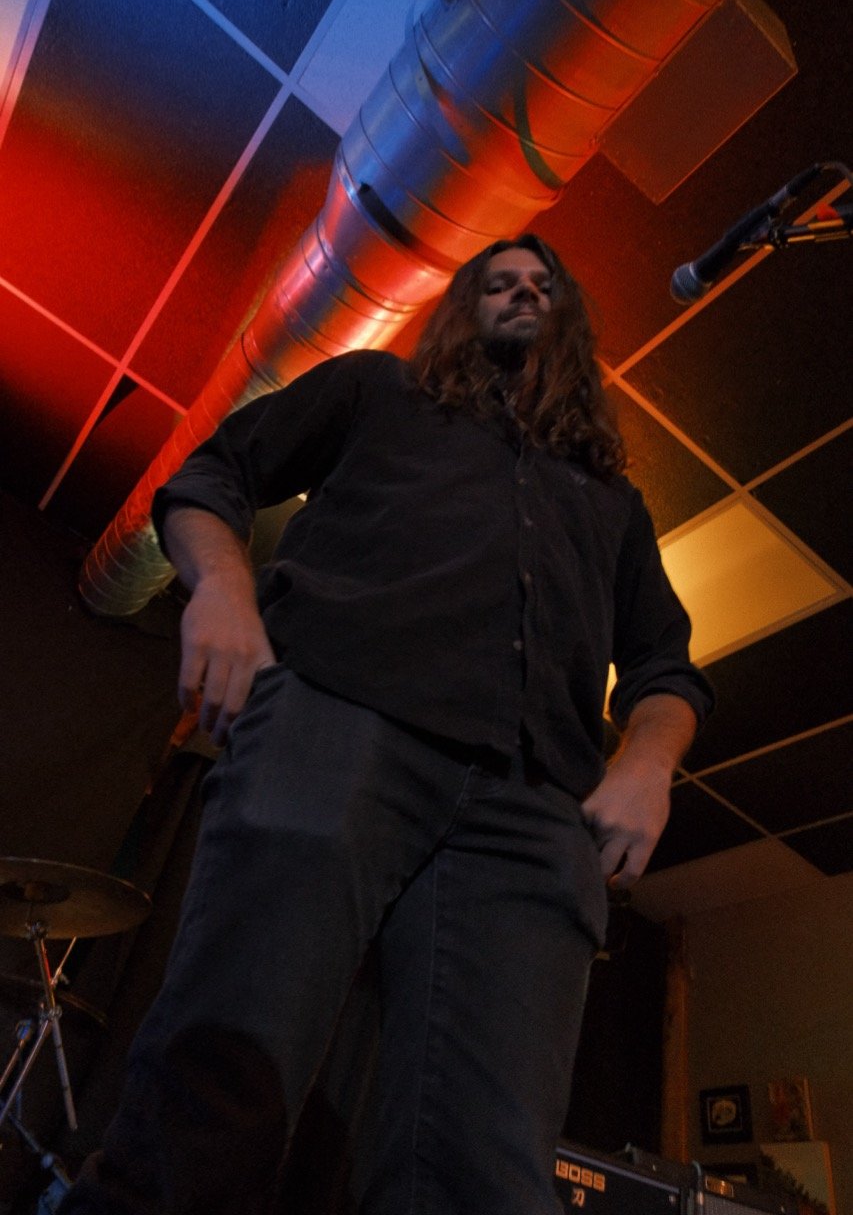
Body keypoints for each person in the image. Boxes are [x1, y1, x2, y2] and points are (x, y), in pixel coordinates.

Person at [59, 235, 712, 1215]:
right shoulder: (373, 389)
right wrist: (227, 592)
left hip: (533, 810)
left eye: (543, 286)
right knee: (220, 1080)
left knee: (490, 1166)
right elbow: (212, 474)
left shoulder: (614, 503)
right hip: (339, 717)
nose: (521, 294)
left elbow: (664, 664)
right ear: (463, 309)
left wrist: (649, 759)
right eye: (498, 281)